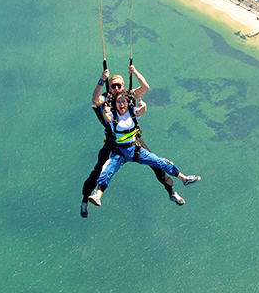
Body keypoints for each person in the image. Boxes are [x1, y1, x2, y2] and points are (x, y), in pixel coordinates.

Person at [84, 65, 198, 211]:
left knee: (157, 164)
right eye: (114, 86)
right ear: (110, 86)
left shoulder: (127, 97)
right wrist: (102, 79)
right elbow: (95, 100)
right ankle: (92, 197)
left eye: (120, 85)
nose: (117, 88)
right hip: (115, 142)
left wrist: (135, 72)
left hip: (132, 141)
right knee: (102, 168)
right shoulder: (106, 99)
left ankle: (172, 190)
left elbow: (145, 89)